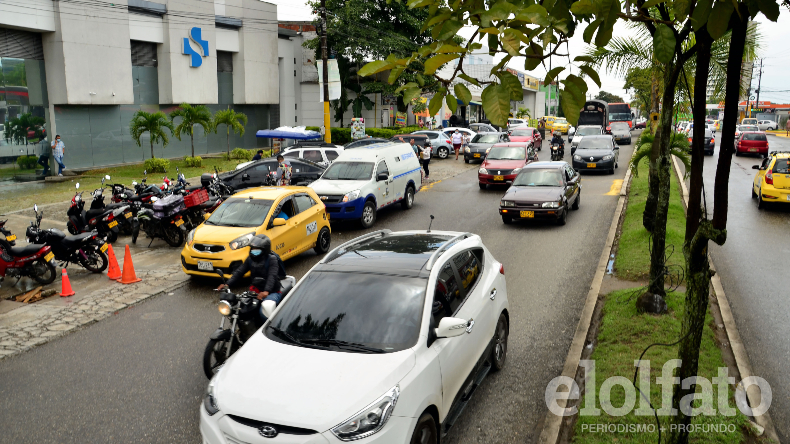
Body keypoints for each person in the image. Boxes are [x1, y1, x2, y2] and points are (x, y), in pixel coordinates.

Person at [217, 235, 283, 321]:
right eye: (252, 248)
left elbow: (272, 276)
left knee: (264, 313)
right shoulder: (250, 259)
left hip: (272, 292)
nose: (253, 251)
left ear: (264, 249)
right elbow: (240, 272)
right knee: (242, 308)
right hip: (256, 290)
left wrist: (266, 291)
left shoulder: (272, 259)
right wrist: (227, 284)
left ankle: (266, 331)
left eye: (256, 249)